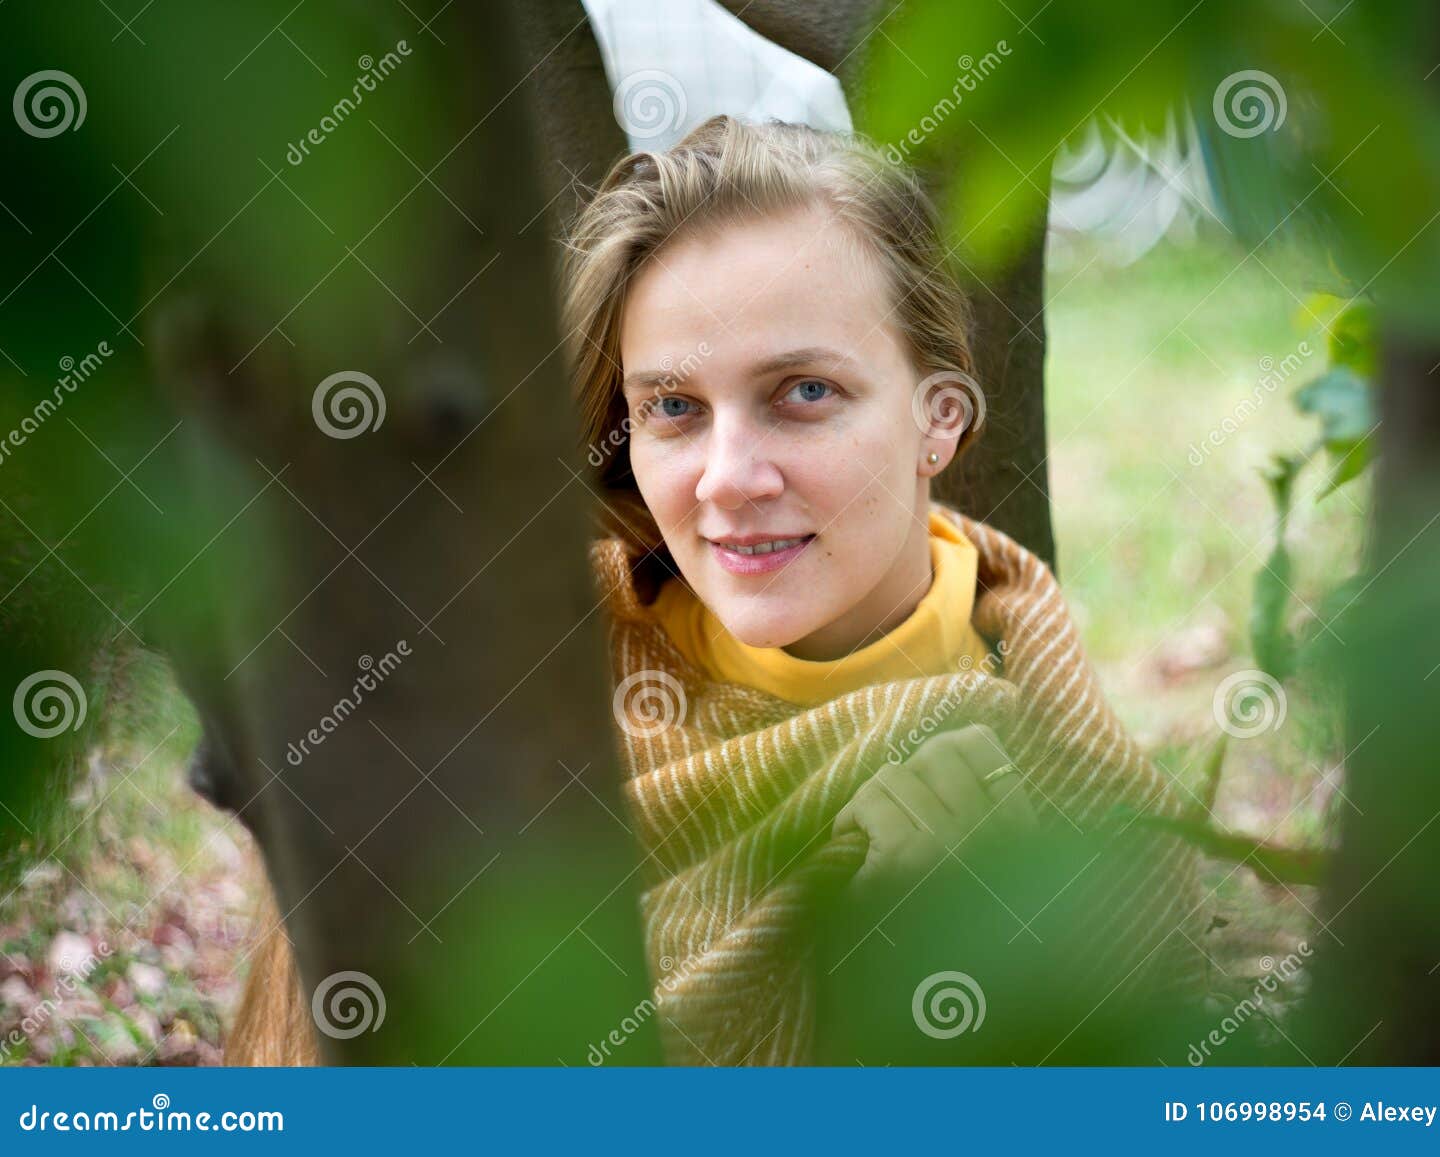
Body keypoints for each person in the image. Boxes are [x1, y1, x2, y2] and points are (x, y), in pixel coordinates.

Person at [226, 113, 1206, 1066]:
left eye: (804, 392)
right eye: (673, 408)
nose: (727, 477)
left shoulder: (1058, 760)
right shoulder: (487, 698)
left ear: (937, 420)